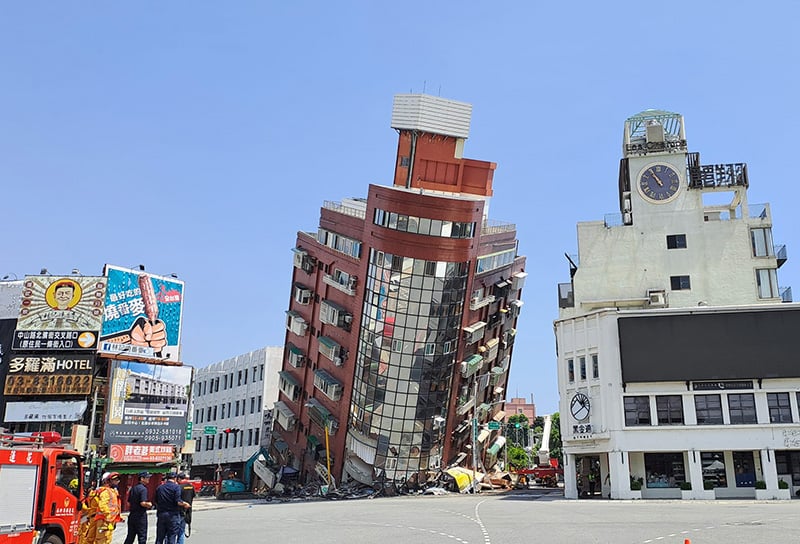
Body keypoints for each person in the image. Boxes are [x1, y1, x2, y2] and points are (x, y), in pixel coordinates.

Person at [155, 472, 190, 544]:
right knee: (171, 536)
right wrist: (185, 504)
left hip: (161, 514)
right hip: (172, 515)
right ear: (175, 479)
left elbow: (156, 501)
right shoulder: (176, 487)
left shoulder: (160, 488)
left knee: (159, 537)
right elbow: (178, 501)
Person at [92, 472, 123, 544]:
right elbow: (102, 505)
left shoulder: (113, 492)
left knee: (107, 540)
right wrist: (108, 516)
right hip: (104, 521)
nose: (117, 481)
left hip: (109, 521)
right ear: (108, 481)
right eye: (115, 480)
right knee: (102, 541)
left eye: (118, 479)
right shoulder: (106, 491)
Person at [124, 472, 153, 544]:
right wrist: (149, 504)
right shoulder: (143, 489)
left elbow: (128, 502)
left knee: (130, 536)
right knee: (142, 537)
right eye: (147, 478)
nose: (148, 479)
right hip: (140, 516)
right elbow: (142, 503)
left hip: (132, 515)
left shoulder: (133, 488)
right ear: (142, 479)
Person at [176, 473, 196, 544]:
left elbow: (177, 499)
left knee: (173, 532)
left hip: (178, 511)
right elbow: (193, 496)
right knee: (181, 531)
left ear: (178, 479)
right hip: (187, 511)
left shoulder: (179, 487)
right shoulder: (191, 486)